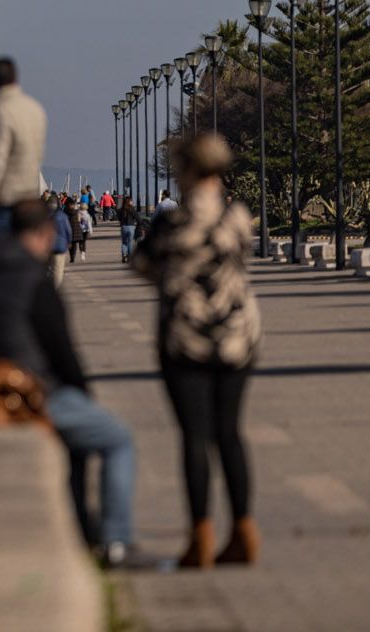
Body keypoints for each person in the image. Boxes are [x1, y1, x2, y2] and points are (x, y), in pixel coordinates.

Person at [0, 200, 140, 566]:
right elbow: (62, 351)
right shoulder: (33, 279)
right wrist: (83, 392)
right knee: (117, 439)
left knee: (77, 443)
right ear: (44, 233)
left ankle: (83, 526)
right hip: (28, 392)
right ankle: (115, 542)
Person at [133, 134, 262, 569]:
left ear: (185, 170)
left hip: (185, 338)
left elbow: (142, 264)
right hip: (237, 336)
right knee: (230, 433)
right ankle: (244, 530)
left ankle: (200, 537)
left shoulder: (172, 222)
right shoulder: (237, 215)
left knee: (194, 437)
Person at [0, 57, 47, 237]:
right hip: (30, 196)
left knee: (3, 256)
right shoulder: (35, 108)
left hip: (6, 198)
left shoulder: (1, 111)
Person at [51, 202, 72, 285]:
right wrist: (69, 241)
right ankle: (55, 285)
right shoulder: (63, 216)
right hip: (60, 245)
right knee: (58, 268)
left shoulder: (45, 216)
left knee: (49, 267)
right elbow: (68, 230)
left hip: (48, 245)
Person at [118, 196, 138, 263]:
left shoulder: (121, 210)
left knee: (124, 242)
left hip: (124, 227)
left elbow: (119, 218)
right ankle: (129, 256)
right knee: (130, 242)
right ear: (129, 202)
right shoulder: (132, 209)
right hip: (131, 227)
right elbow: (137, 217)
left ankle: (124, 254)